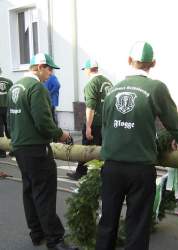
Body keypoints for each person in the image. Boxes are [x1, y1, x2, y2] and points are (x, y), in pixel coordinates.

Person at [95, 41, 178, 250]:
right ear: (153, 63)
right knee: (137, 224)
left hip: (111, 166)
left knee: (107, 220)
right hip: (140, 168)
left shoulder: (113, 90)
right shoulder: (156, 88)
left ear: (129, 60)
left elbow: (104, 127)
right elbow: (174, 124)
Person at [7, 53, 78, 250]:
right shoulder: (36, 88)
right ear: (39, 67)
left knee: (29, 191)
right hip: (37, 149)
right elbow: (44, 123)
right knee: (44, 194)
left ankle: (36, 233)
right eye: (48, 68)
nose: (50, 73)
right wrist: (61, 134)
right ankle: (55, 240)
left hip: (20, 148)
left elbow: (9, 120)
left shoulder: (15, 87)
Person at [67, 59, 112, 180]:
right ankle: (105, 175)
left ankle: (81, 172)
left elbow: (90, 107)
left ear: (88, 70)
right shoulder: (108, 82)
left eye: (85, 70)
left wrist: (88, 126)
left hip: (95, 122)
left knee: (85, 148)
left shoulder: (91, 84)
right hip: (107, 122)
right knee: (104, 149)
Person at [0, 67, 13, 157]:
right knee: (10, 129)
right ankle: (13, 150)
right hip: (7, 107)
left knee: (0, 130)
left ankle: (1, 152)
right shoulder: (8, 81)